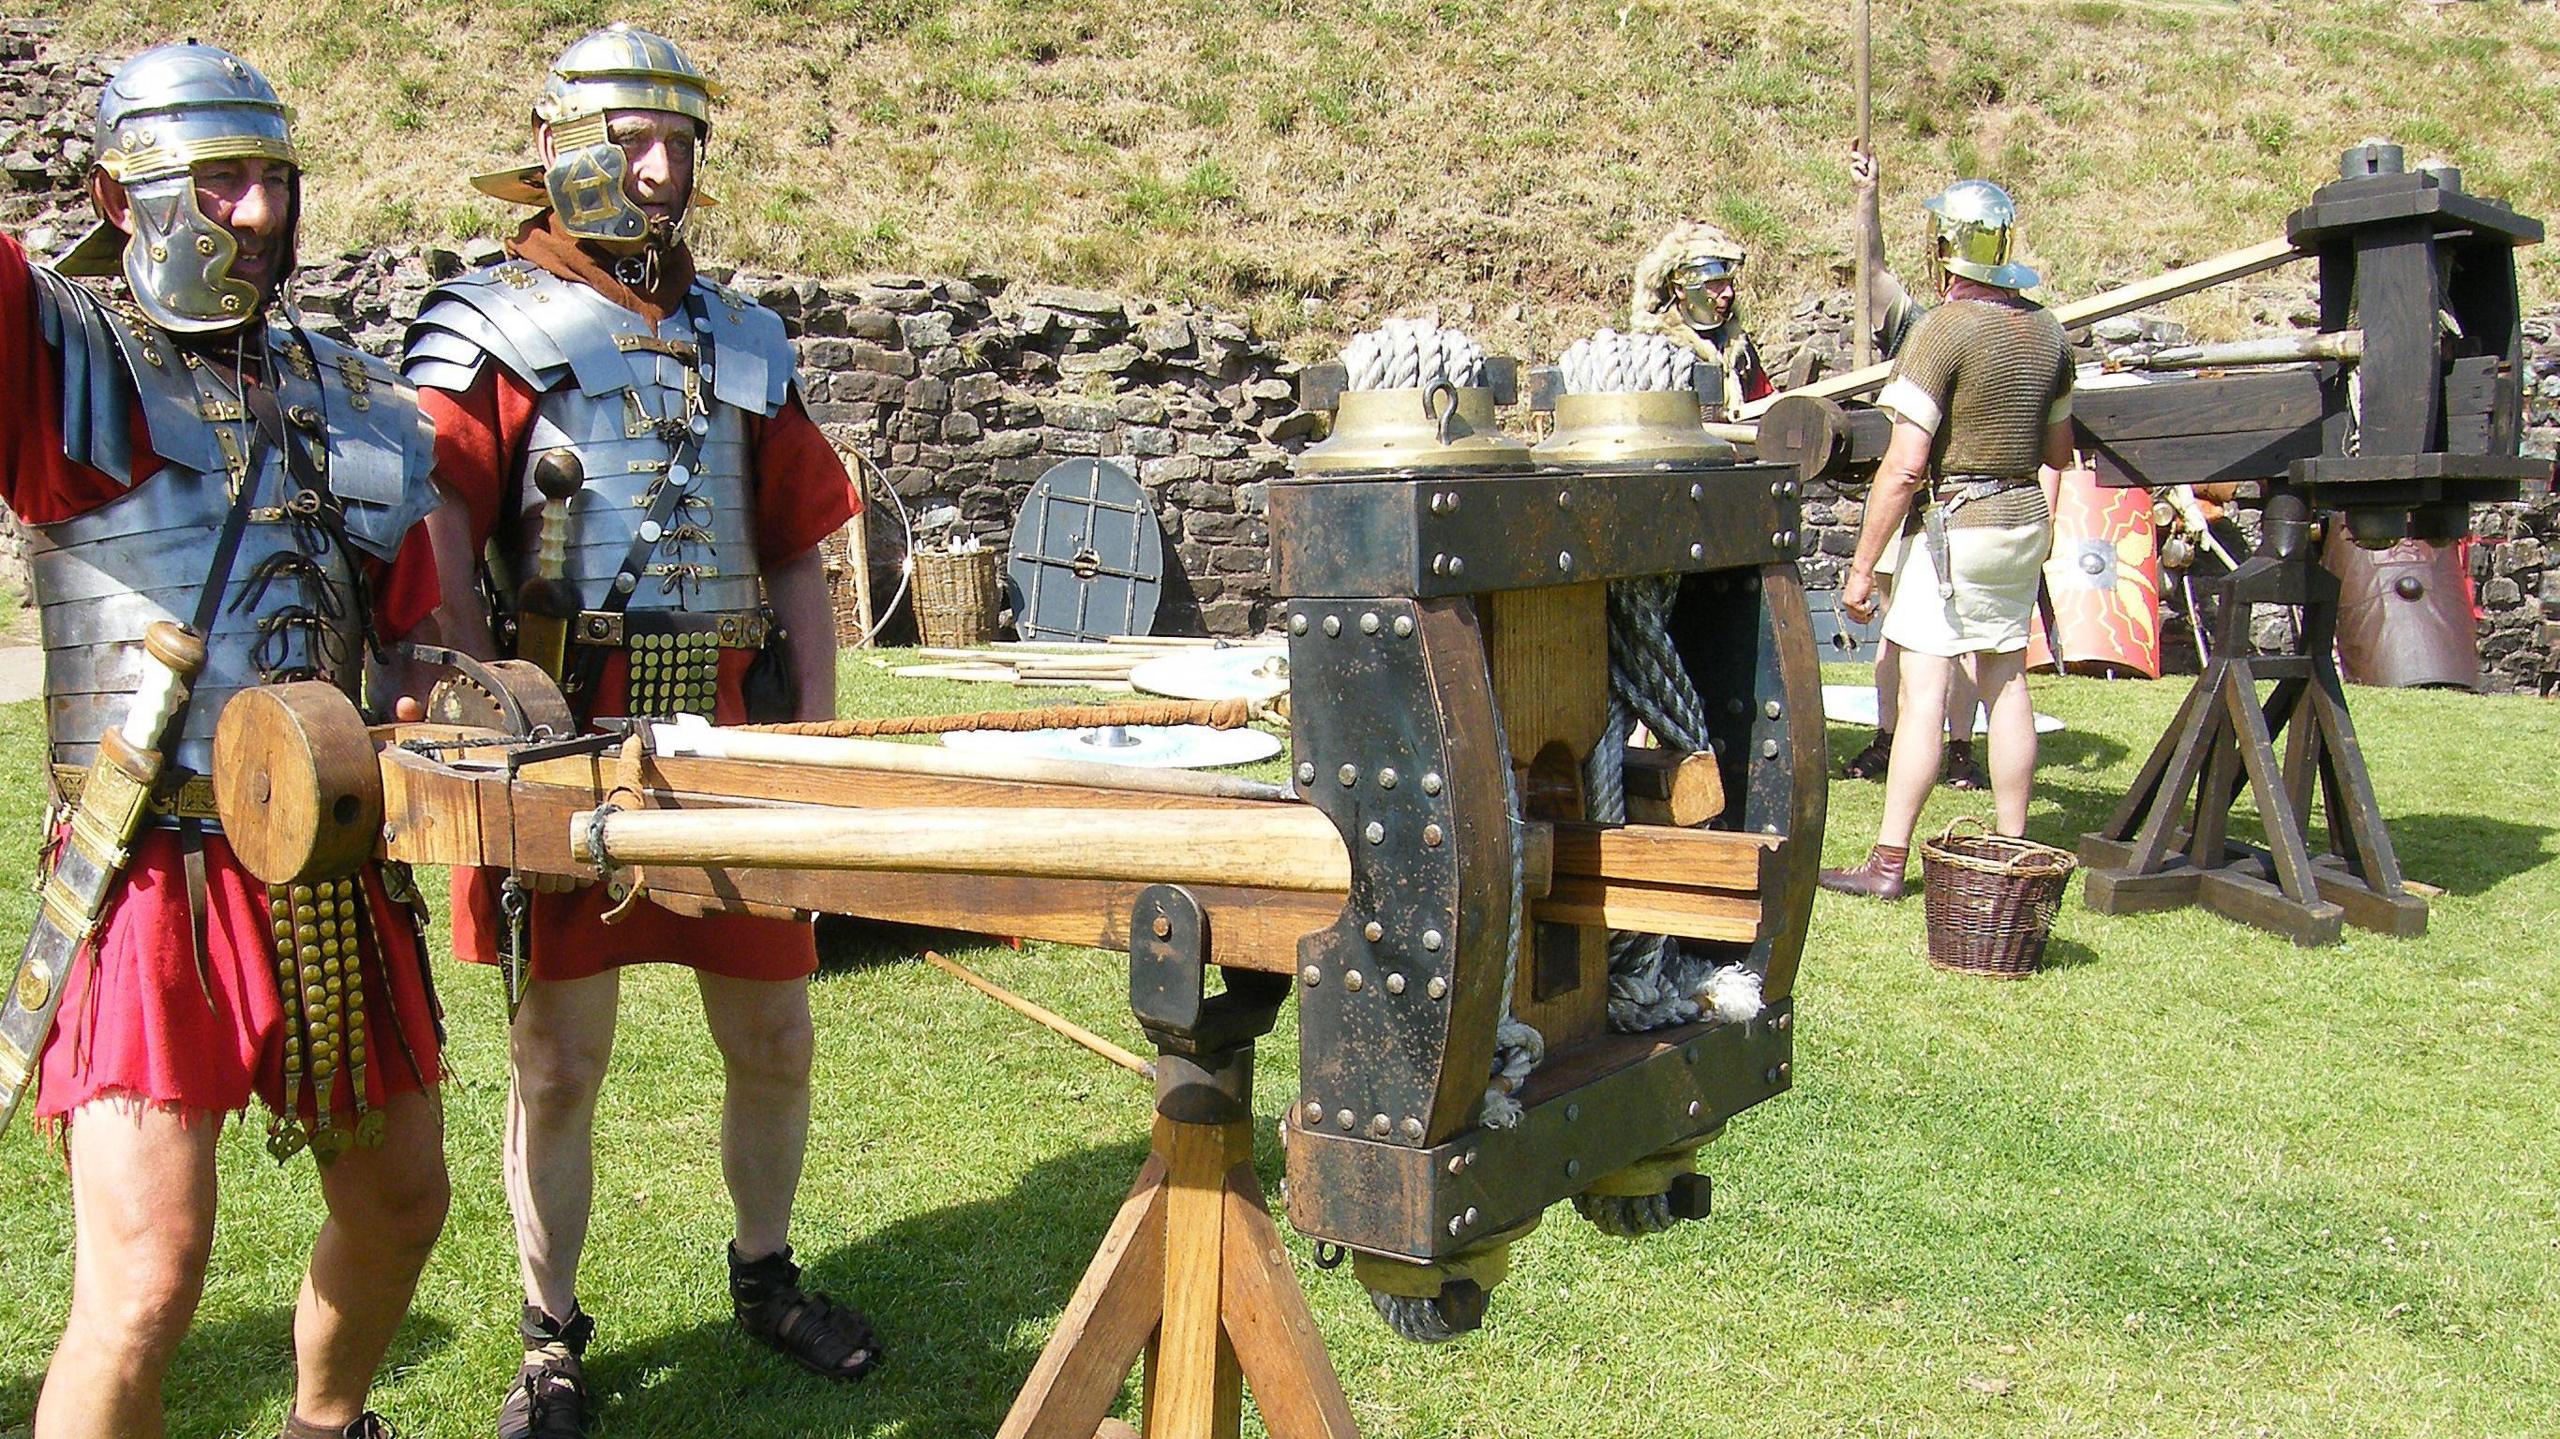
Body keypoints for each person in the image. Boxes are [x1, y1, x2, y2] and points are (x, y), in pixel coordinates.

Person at [399, 25, 870, 1438]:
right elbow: (437, 528)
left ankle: (767, 1272)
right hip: (568, 729)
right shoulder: (488, 325)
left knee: (776, 1033)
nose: (665, 172)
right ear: (562, 149)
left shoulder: (743, 340)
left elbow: (795, 547)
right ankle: (550, 1335)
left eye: (684, 144)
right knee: (560, 1055)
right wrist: (489, 714)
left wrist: (816, 742)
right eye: (635, 141)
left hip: (725, 735)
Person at [1, 43, 477, 1439]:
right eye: (222, 182)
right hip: (155, 873)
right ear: (120, 190)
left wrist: (455, 690)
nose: (261, 211)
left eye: (275, 177)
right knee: (146, 1285)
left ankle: (327, 1422)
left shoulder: (359, 394)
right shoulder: (65, 363)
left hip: (329, 858)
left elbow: (406, 636)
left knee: (401, 1202)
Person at [1820, 179, 2074, 901]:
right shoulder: (2047, 331)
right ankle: (2014, 845)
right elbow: (2058, 451)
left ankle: (1888, 860)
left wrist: (1862, 567)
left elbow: (1904, 466)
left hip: (1958, 532)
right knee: (2006, 679)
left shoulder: (1944, 330)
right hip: (2021, 520)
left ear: (1946, 251)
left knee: (1923, 692)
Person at [1841, 147, 1985, 792]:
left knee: (1969, 645)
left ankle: (1959, 750)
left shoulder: (1996, 328)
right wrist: (1867, 202)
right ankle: (1887, 738)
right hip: (1920, 505)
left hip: (1969, 501)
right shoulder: (1919, 323)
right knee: (1898, 633)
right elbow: (1871, 274)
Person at [1629, 220, 1772, 414]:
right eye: (1716, 284)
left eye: (1729, 283)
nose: (1729, 293)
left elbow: (1763, 402)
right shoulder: (1654, 352)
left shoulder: (1737, 346)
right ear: (1680, 289)